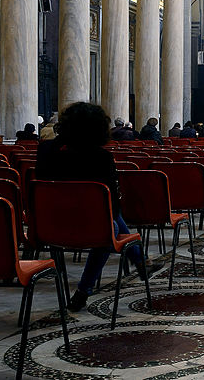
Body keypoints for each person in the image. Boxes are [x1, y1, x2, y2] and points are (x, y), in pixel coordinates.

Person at [35, 101, 144, 311]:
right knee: (109, 226)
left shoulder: (46, 151)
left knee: (108, 219)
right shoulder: (101, 157)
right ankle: (84, 290)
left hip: (48, 226)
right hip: (91, 228)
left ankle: (140, 262)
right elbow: (112, 203)